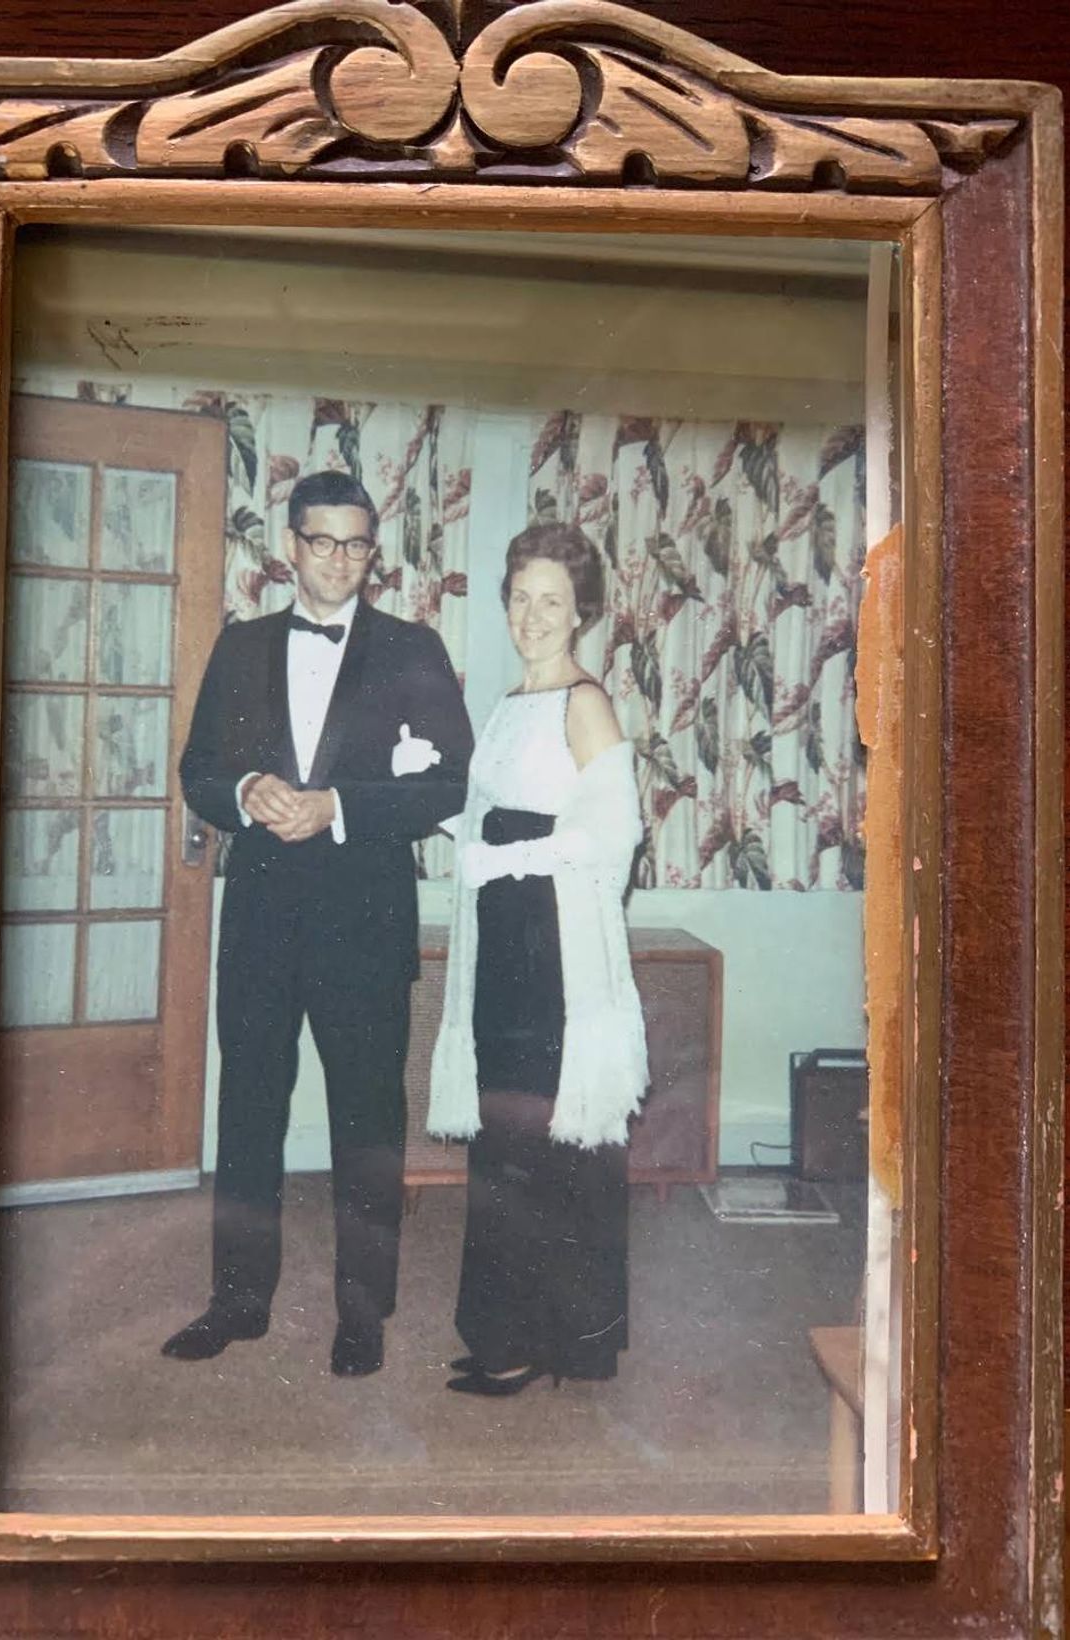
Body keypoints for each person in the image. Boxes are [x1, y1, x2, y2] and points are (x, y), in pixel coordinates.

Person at [163, 470, 473, 1377]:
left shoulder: (414, 648)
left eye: (357, 543)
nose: (339, 559)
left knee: (367, 1120)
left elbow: (451, 783)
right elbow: (198, 771)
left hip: (365, 920)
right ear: (289, 545)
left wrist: (336, 804)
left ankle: (362, 1312)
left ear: (373, 553)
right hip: (259, 918)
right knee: (249, 1110)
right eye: (322, 540)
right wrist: (244, 792)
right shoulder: (241, 644)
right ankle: (236, 1302)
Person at [428, 522, 648, 1396]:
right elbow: (499, 813)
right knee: (506, 1141)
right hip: (502, 943)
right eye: (520, 597)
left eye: (551, 600)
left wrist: (504, 857)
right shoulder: (509, 701)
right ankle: (507, 1331)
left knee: (548, 1142)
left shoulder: (584, 701)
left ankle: (548, 1340)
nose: (532, 615)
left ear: (581, 611)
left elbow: (613, 836)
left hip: (551, 948)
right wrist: (448, 813)